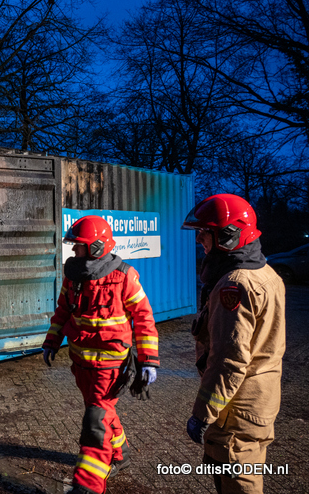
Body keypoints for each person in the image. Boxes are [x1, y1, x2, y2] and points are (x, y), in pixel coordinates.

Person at [41, 215, 159, 494]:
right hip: (80, 363)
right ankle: (121, 454)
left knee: (95, 422)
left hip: (110, 366)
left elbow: (144, 318)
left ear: (95, 247)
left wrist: (149, 359)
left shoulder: (125, 276)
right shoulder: (74, 276)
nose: (73, 251)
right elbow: (62, 311)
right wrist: (51, 341)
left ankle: (88, 485)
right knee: (102, 411)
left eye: (78, 246)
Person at [182, 194, 285, 494]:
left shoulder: (234, 284)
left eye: (205, 232)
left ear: (228, 236)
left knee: (239, 481)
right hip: (260, 398)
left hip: (236, 408)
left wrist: (202, 414)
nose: (200, 238)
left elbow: (229, 361)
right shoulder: (266, 273)